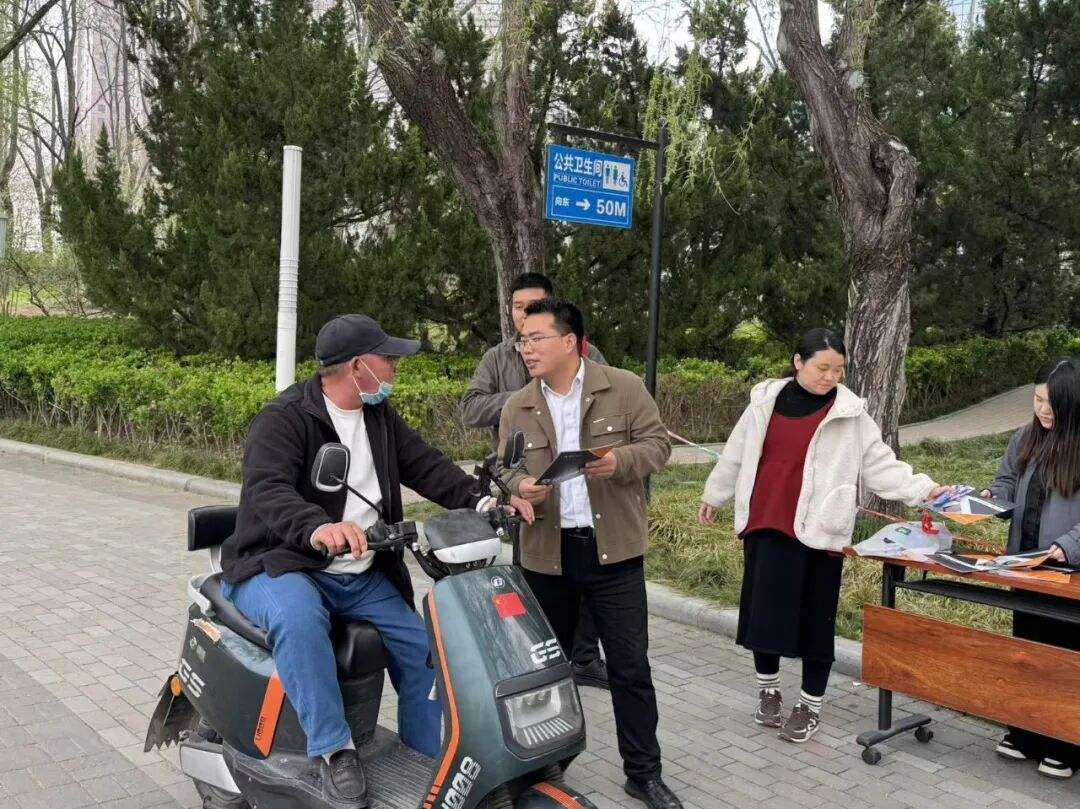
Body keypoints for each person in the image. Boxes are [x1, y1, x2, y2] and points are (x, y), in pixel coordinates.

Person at [220, 314, 532, 808]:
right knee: (299, 622)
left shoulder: (378, 416)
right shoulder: (284, 419)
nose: (394, 367)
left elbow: (425, 465)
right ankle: (334, 750)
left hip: (359, 572)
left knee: (426, 649)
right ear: (356, 367)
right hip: (282, 562)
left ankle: (427, 758)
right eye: (386, 359)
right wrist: (317, 526)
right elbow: (268, 489)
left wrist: (482, 501)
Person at [697, 328, 950, 744]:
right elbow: (736, 453)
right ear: (798, 362)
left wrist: (926, 490)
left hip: (821, 531)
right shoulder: (765, 400)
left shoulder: (850, 413)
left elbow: (881, 465)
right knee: (765, 619)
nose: (830, 377)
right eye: (822, 367)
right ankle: (768, 693)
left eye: (839, 369)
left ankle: (809, 706)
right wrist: (715, 495)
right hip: (766, 522)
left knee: (816, 624)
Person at [498, 297, 683, 809]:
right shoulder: (518, 406)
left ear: (569, 342)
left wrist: (621, 461)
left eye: (536, 338)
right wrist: (519, 486)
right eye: (522, 340)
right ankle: (539, 771)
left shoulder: (623, 387)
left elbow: (658, 446)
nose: (526, 348)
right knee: (542, 674)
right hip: (546, 557)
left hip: (613, 555)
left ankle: (643, 774)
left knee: (630, 669)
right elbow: (504, 466)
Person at [461, 272, 611, 690]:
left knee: (589, 571)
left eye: (532, 306)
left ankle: (585, 657)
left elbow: (608, 397)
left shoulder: (584, 350)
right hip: (524, 485)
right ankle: (536, 658)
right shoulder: (498, 358)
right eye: (517, 307)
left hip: (580, 480)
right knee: (532, 574)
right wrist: (527, 396)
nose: (523, 313)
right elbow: (470, 409)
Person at [983, 357, 1080, 779]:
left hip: (1067, 571)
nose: (1043, 409)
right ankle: (1025, 732)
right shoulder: (1025, 437)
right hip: (1023, 564)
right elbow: (1007, 481)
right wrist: (990, 498)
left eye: (1052, 404)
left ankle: (1065, 744)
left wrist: (1067, 546)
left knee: (1063, 658)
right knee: (1027, 652)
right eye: (1038, 399)